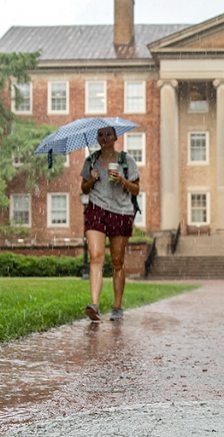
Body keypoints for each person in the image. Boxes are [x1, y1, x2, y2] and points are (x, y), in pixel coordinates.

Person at [79, 125, 141, 322]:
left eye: (108, 134)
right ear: (97, 138)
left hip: (121, 212)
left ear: (115, 137)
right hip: (96, 209)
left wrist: (122, 180)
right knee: (96, 256)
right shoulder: (91, 160)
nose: (104, 137)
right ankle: (94, 305)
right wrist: (92, 179)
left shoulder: (126, 160)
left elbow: (136, 190)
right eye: (100, 134)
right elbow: (84, 189)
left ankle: (117, 306)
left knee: (117, 261)